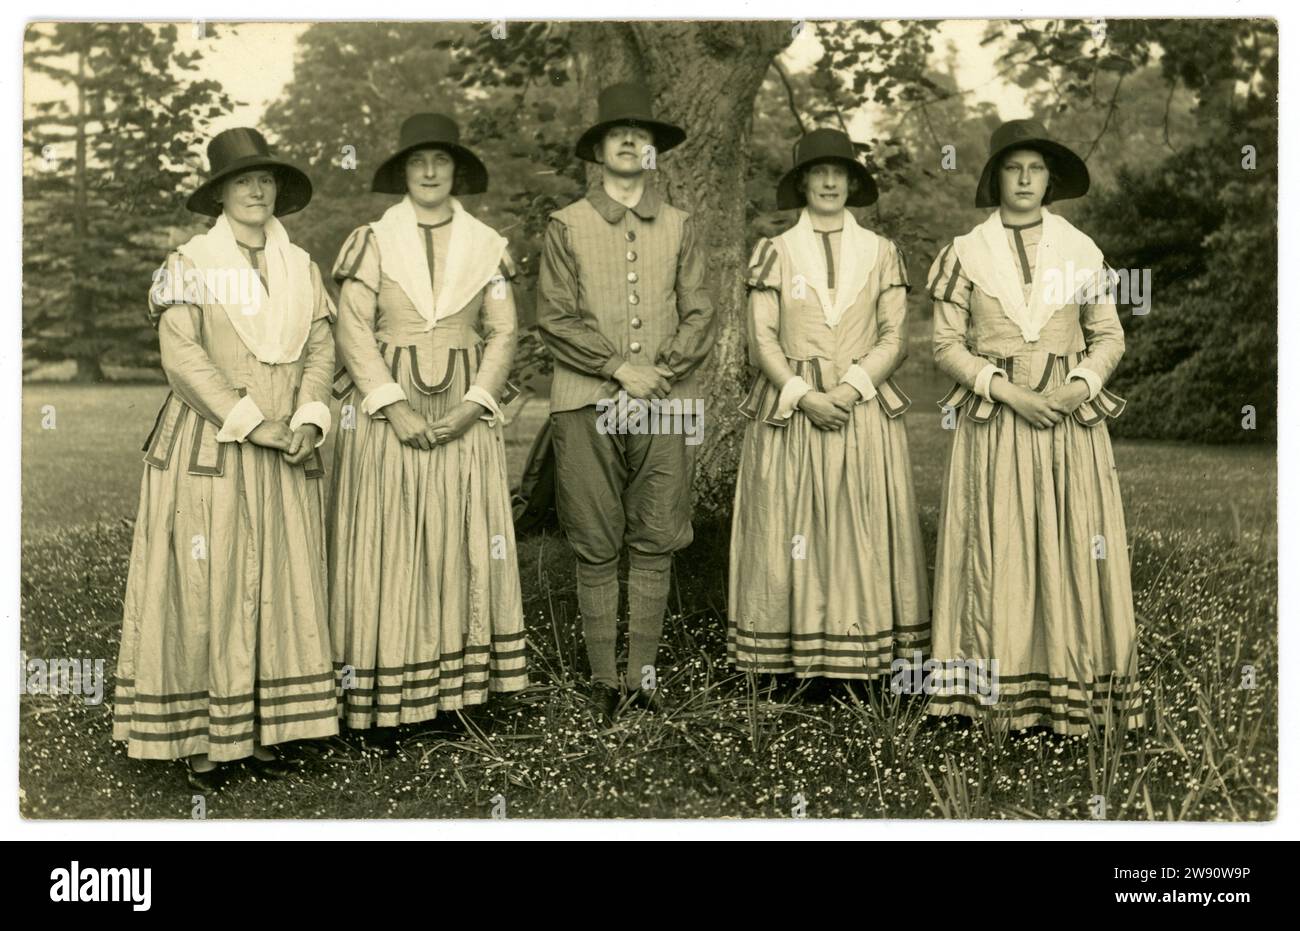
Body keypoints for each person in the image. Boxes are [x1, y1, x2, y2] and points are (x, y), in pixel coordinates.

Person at [114, 127, 338, 789]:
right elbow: (183, 356)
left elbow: (322, 348)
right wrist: (252, 422)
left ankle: (264, 729)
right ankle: (204, 737)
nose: (257, 189)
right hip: (211, 442)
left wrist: (308, 414)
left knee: (274, 578)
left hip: (284, 442)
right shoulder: (190, 263)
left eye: (265, 179)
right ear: (220, 193)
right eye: (243, 180)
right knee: (209, 581)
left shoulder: (300, 267)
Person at [925, 119, 1143, 733]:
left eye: (1036, 169)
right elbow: (946, 345)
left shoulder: (1081, 250)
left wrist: (1077, 388)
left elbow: (1108, 336)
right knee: (997, 544)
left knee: (1072, 540)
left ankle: (1072, 685)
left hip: (1069, 422)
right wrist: (1011, 393)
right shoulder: (965, 252)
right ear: (995, 176)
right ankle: (990, 690)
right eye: (1013, 168)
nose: (1024, 179)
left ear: (1049, 180)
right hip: (997, 417)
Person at [328, 113, 527, 743]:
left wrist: (476, 404)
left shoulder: (488, 245)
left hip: (466, 402)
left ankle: (456, 696)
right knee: (388, 540)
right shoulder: (372, 241)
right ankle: (384, 701)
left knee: (459, 535)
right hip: (388, 406)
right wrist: (392, 404)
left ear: (455, 170)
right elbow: (352, 328)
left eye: (441, 161)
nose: (432, 171)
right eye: (419, 162)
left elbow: (503, 331)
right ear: (405, 173)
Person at [728, 129, 929, 697]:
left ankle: (863, 659)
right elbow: (761, 339)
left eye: (840, 172)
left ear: (853, 182)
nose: (830, 181)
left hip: (859, 403)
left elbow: (896, 336)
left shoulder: (883, 251)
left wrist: (848, 389)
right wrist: (805, 394)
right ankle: (787, 662)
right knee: (791, 526)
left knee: (859, 522)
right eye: (818, 172)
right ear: (802, 183)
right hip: (793, 405)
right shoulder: (775, 250)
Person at [537, 82, 715, 723]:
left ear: (653, 153)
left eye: (641, 135)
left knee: (658, 532)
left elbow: (700, 311)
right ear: (599, 150)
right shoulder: (565, 224)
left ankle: (643, 678)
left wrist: (657, 373)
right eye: (619, 134)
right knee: (594, 535)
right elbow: (555, 317)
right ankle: (602, 679)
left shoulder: (682, 225)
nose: (631, 141)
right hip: (585, 398)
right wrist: (617, 368)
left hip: (665, 398)